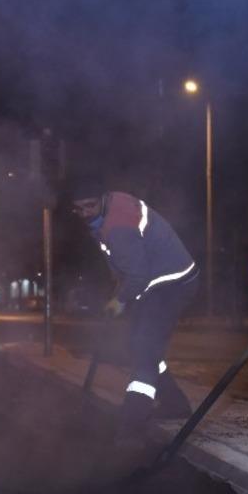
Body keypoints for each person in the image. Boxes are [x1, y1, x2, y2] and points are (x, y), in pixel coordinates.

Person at [70, 177, 199, 443]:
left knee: (144, 347)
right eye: (78, 209)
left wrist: (121, 299)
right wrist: (119, 292)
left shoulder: (118, 226)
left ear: (103, 198)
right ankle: (175, 404)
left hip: (171, 281)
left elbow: (137, 274)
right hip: (153, 281)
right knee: (140, 344)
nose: (85, 213)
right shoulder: (106, 214)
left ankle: (131, 423)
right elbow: (125, 264)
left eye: (90, 206)